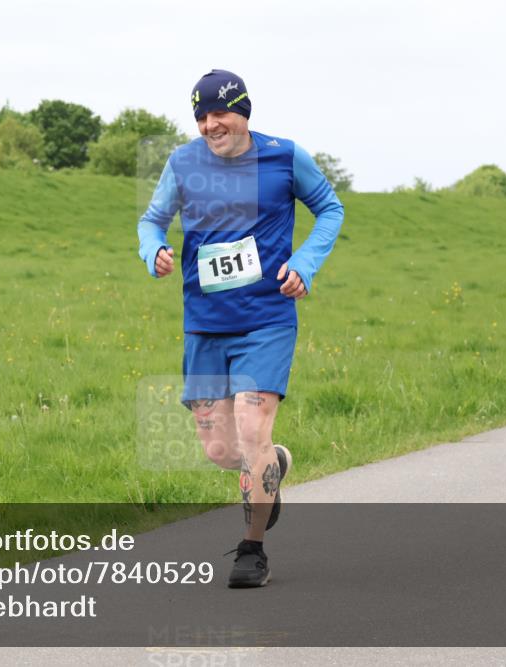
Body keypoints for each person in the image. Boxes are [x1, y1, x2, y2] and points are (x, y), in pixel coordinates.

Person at [137, 69, 345, 588]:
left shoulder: (284, 157)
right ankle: (274, 464)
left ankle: (253, 550)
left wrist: (305, 263)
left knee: (253, 432)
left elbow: (330, 209)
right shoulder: (183, 163)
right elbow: (151, 220)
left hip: (266, 320)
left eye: (220, 113)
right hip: (205, 325)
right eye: (201, 117)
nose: (211, 124)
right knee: (220, 451)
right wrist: (153, 249)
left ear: (243, 112)